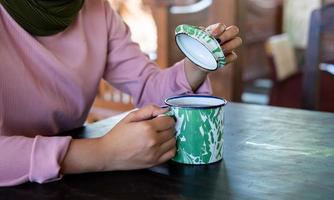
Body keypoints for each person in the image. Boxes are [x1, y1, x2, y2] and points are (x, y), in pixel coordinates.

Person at [0, 0, 242, 186]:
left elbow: (148, 85)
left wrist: (196, 65)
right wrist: (103, 153)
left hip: (66, 183)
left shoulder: (96, 9)